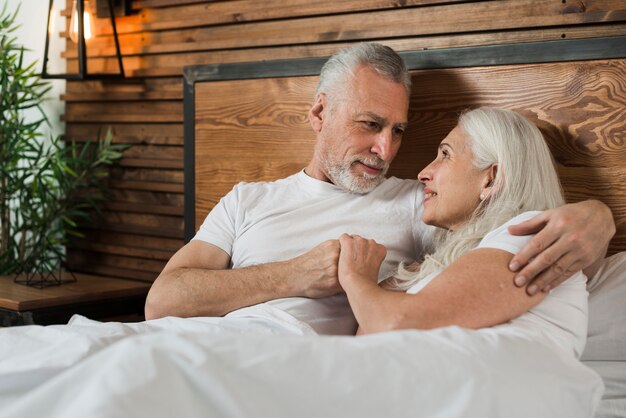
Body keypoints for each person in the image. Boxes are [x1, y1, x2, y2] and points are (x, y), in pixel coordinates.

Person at [144, 43, 615, 335]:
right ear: (318, 113)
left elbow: (511, 213)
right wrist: (293, 275)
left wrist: (596, 215)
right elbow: (162, 302)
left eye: (399, 131)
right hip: (200, 342)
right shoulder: (245, 200)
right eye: (370, 124)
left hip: (296, 363)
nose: (385, 149)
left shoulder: (421, 202)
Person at [337, 108, 591, 356]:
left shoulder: (532, 234)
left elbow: (395, 323)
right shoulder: (451, 265)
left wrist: (356, 278)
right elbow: (367, 349)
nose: (423, 173)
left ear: (491, 179)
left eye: (445, 155)